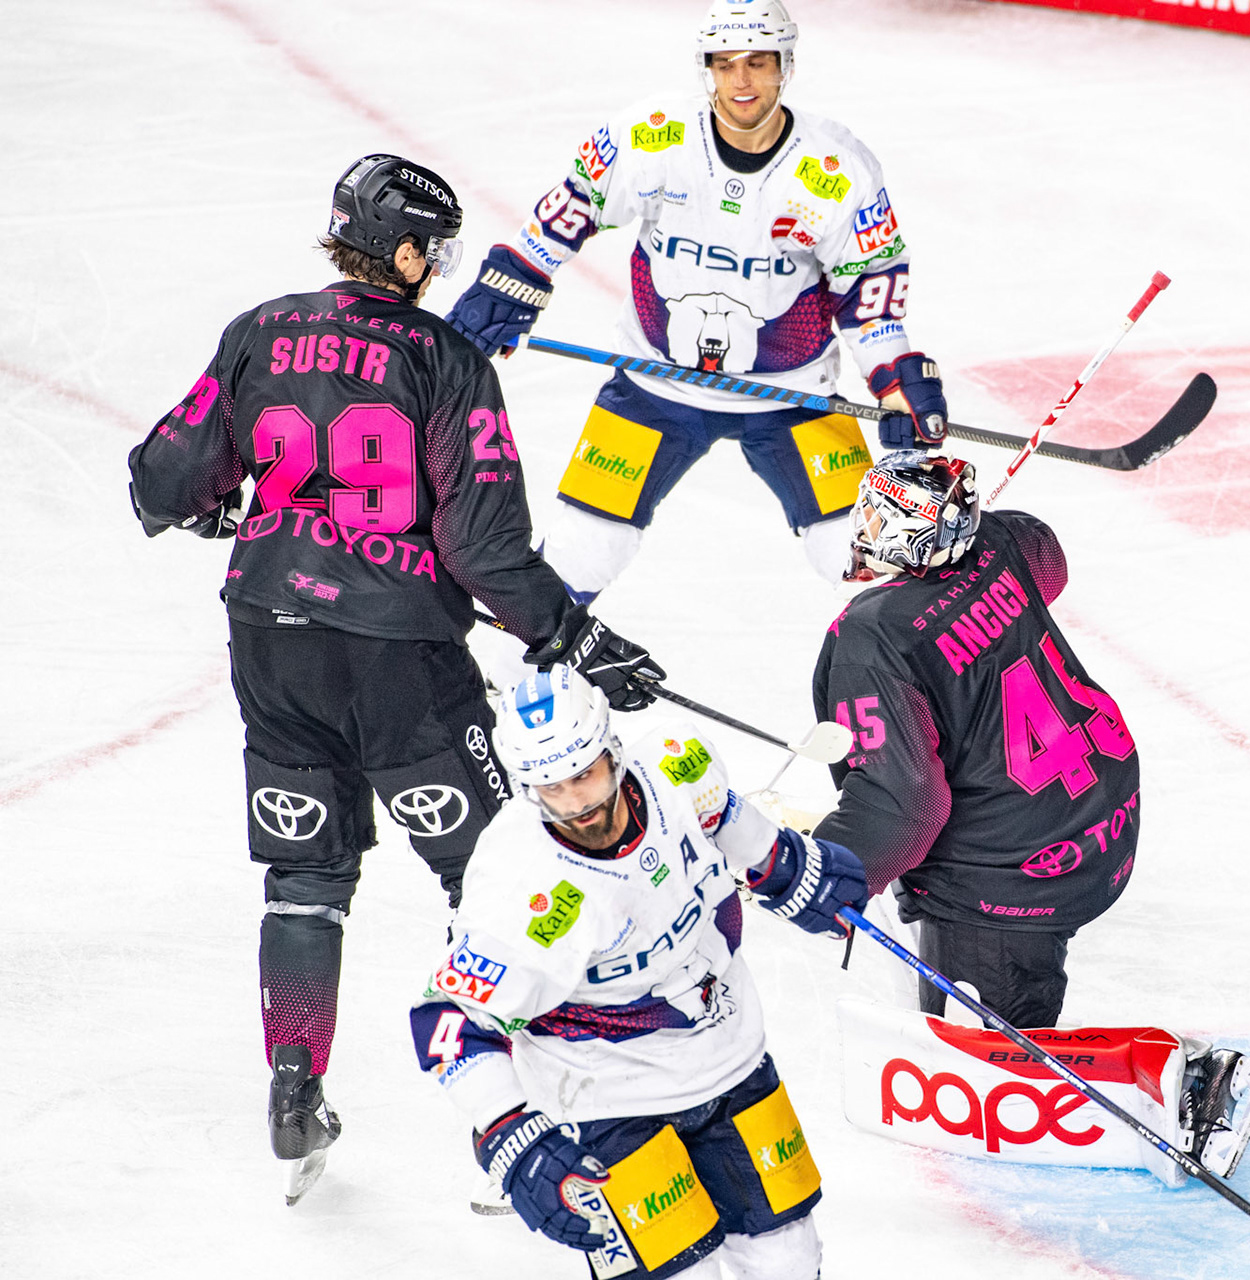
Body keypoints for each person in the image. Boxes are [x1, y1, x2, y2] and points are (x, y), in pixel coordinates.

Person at [126, 154, 665, 1204]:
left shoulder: (259, 330)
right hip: (400, 658)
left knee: (305, 880)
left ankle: (293, 1092)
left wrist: (213, 505)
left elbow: (163, 475)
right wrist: (573, 635)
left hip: (270, 642)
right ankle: (534, 1119)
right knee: (494, 868)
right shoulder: (446, 357)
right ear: (410, 252)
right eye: (437, 247)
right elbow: (485, 549)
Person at [804, 450, 1250, 1177]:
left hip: (1016, 867)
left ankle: (1168, 1083)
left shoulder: (872, 634)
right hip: (1099, 813)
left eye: (876, 512)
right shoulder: (997, 544)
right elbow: (1044, 553)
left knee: (978, 1057)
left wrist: (824, 869)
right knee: (992, 1003)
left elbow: (903, 809)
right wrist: (967, 536)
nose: (861, 526)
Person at [445, 0, 949, 595]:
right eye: (725, 63)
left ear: (786, 65)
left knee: (864, 556)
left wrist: (893, 376)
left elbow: (869, 295)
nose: (741, 81)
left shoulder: (837, 170)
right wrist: (515, 280)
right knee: (585, 548)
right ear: (705, 67)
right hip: (654, 385)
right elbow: (572, 208)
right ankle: (509, 683)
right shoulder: (652, 137)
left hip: (792, 397)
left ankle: (904, 683)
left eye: (758, 63)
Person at [410, 666, 867, 1277]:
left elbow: (737, 828)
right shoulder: (521, 889)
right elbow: (448, 1025)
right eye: (553, 788)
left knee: (788, 1260)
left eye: (585, 774)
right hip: (608, 1098)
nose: (578, 803)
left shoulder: (678, 767)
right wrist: (510, 1136)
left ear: (612, 750)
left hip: (730, 1059)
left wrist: (794, 871)